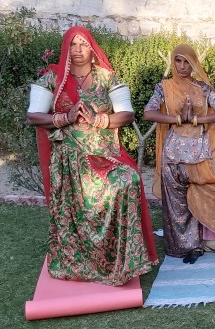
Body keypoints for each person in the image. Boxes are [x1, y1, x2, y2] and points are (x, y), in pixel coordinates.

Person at [27, 26, 158, 286]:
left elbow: (127, 114)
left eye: (83, 44)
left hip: (103, 154)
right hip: (69, 158)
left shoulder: (106, 77)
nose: (78, 50)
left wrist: (98, 119)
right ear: (66, 48)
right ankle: (77, 262)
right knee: (82, 200)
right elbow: (33, 116)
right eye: (72, 44)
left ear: (92, 48)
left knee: (128, 180)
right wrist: (65, 117)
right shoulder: (53, 78)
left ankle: (120, 261)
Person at [144, 44, 215, 262]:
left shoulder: (204, 88)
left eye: (187, 61)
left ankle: (213, 238)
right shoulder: (164, 87)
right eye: (178, 61)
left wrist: (196, 119)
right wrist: (177, 119)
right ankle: (182, 246)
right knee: (176, 204)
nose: (182, 66)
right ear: (173, 62)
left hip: (202, 154)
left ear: (194, 64)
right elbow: (148, 113)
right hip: (172, 155)